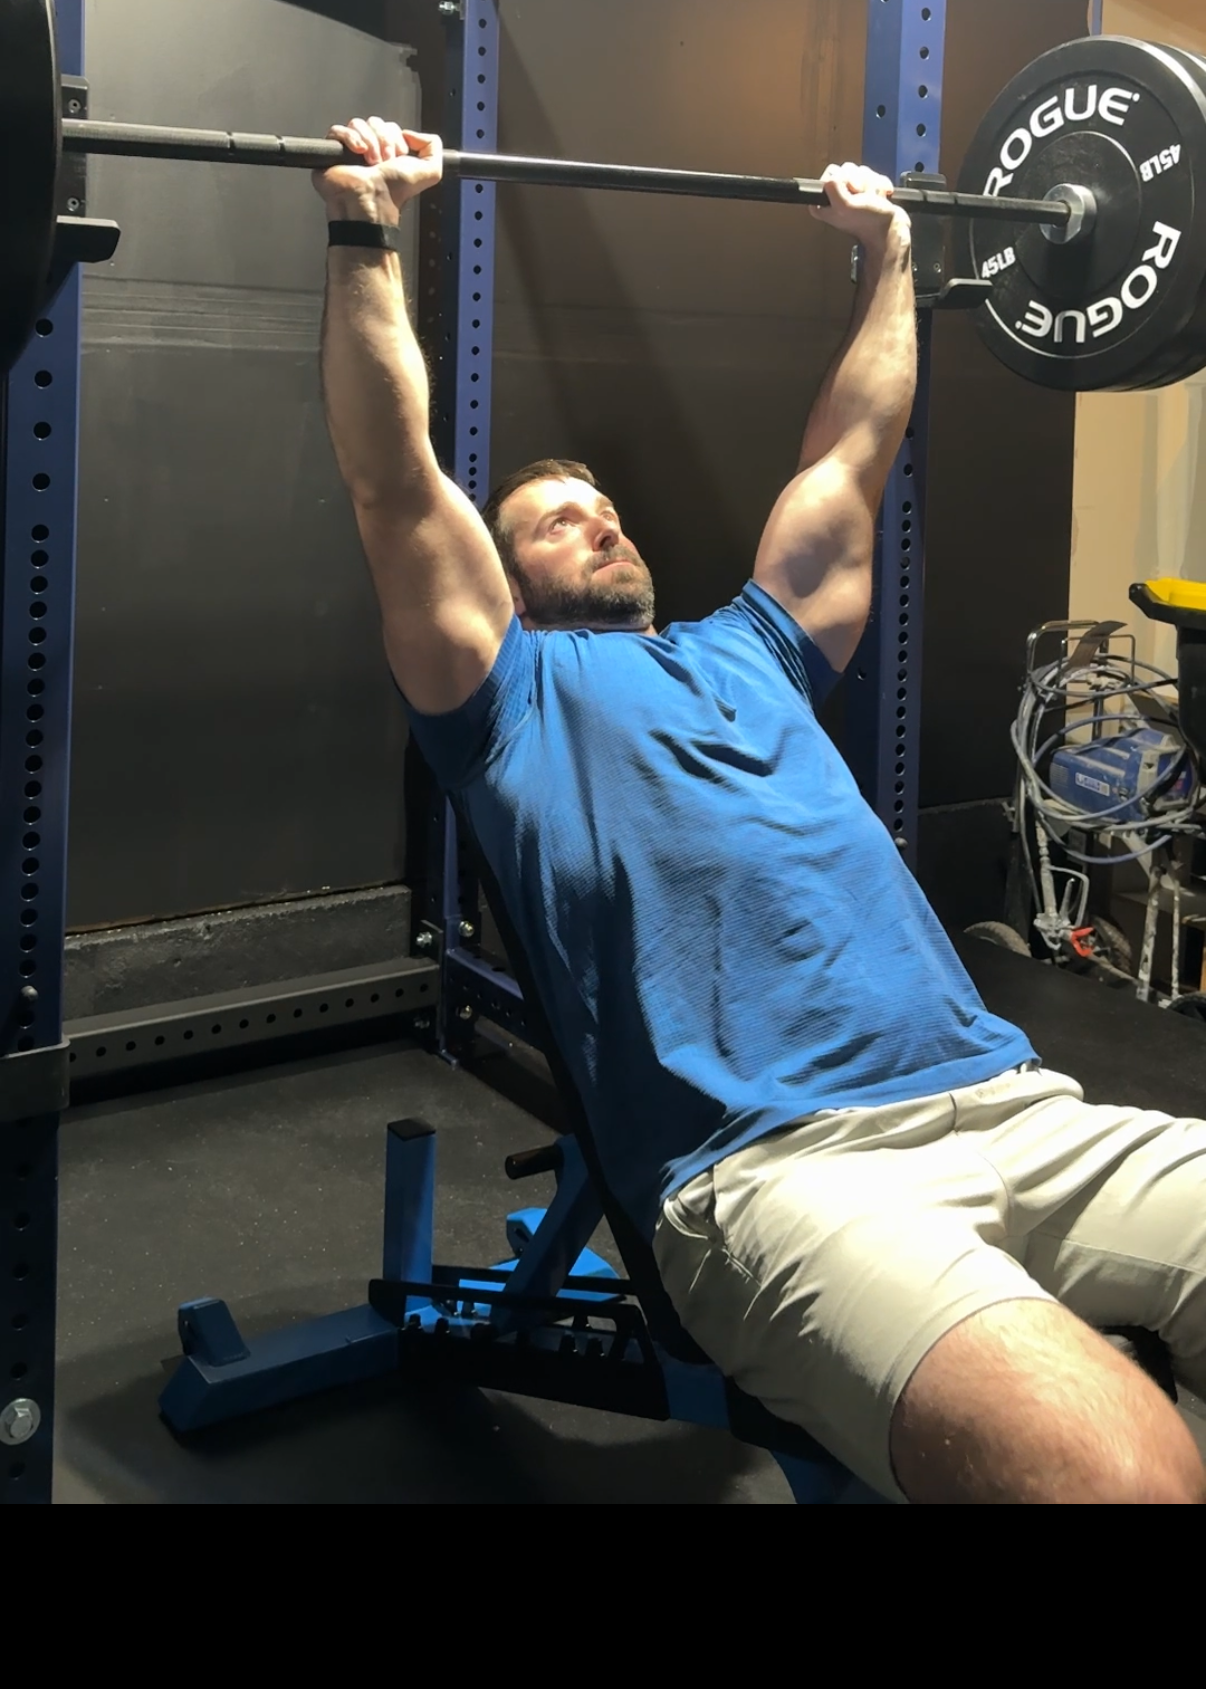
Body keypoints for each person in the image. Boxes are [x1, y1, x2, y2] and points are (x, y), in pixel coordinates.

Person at [316, 116, 1206, 1505]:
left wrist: (890, 252)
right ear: (500, 576)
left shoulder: (752, 647)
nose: (601, 522)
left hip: (1011, 1104)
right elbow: (391, 478)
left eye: (605, 505)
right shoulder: (506, 698)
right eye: (558, 518)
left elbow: (853, 448)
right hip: (770, 1172)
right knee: (1115, 1464)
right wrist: (369, 228)